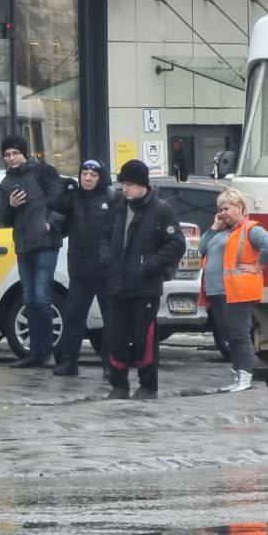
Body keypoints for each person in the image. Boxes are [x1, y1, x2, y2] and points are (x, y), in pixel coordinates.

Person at [100, 159, 186, 400]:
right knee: (116, 336)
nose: (125, 189)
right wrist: (107, 259)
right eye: (123, 184)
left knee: (144, 338)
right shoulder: (118, 207)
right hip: (117, 285)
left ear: (143, 185)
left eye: (129, 184)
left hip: (144, 288)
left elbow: (176, 244)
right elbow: (105, 237)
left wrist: (151, 265)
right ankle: (118, 384)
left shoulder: (161, 210)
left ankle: (148, 385)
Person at [199, 188, 268, 394]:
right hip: (217, 292)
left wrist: (258, 267)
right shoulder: (222, 231)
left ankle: (244, 376)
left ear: (240, 208)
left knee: (239, 335)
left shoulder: (250, 229)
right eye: (219, 209)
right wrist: (214, 227)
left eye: (227, 208)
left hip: (237, 291)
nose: (222, 212)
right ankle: (236, 375)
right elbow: (202, 248)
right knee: (228, 336)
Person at [0, 134, 65, 368]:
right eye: (7, 154)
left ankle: (46, 352)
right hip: (23, 246)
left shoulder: (43, 172)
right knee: (29, 298)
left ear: (24, 153)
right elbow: (4, 219)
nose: (11, 158)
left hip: (46, 244)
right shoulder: (6, 183)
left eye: (15, 153)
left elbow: (63, 202)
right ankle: (35, 352)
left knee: (41, 295)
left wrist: (50, 224)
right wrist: (11, 206)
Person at [52, 158, 119, 378]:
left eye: (93, 175)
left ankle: (111, 365)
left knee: (111, 320)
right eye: (84, 174)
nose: (87, 179)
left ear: (101, 178)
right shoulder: (74, 198)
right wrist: (62, 194)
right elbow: (58, 226)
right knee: (73, 317)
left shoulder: (111, 199)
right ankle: (69, 361)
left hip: (105, 270)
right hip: (80, 270)